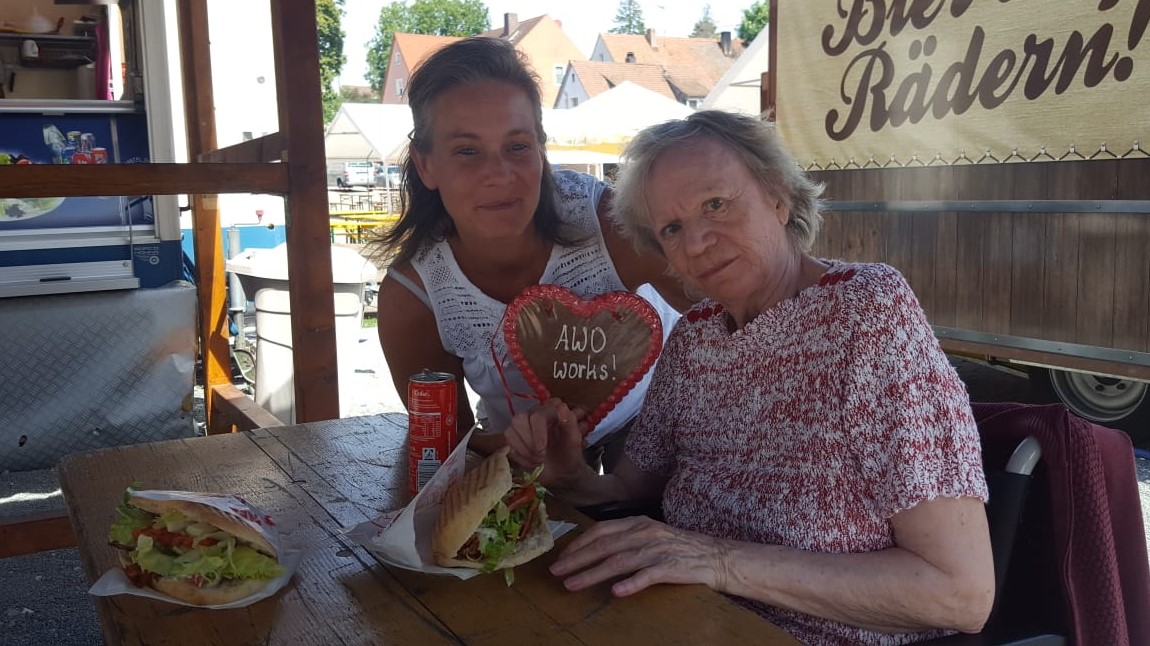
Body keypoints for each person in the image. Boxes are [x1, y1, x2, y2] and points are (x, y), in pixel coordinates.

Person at [505, 110, 995, 645]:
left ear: (779, 197)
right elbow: (628, 489)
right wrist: (572, 475)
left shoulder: (866, 313)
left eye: (715, 204)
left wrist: (717, 561)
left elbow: (960, 593)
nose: (696, 243)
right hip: (677, 619)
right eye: (672, 228)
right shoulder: (693, 340)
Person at [369, 37, 686, 469]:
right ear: (426, 166)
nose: (499, 175)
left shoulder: (609, 222)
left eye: (517, 146)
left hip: (654, 442)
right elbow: (446, 440)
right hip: (526, 468)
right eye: (467, 151)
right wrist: (520, 445)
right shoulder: (414, 296)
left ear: (541, 148)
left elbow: (728, 320)